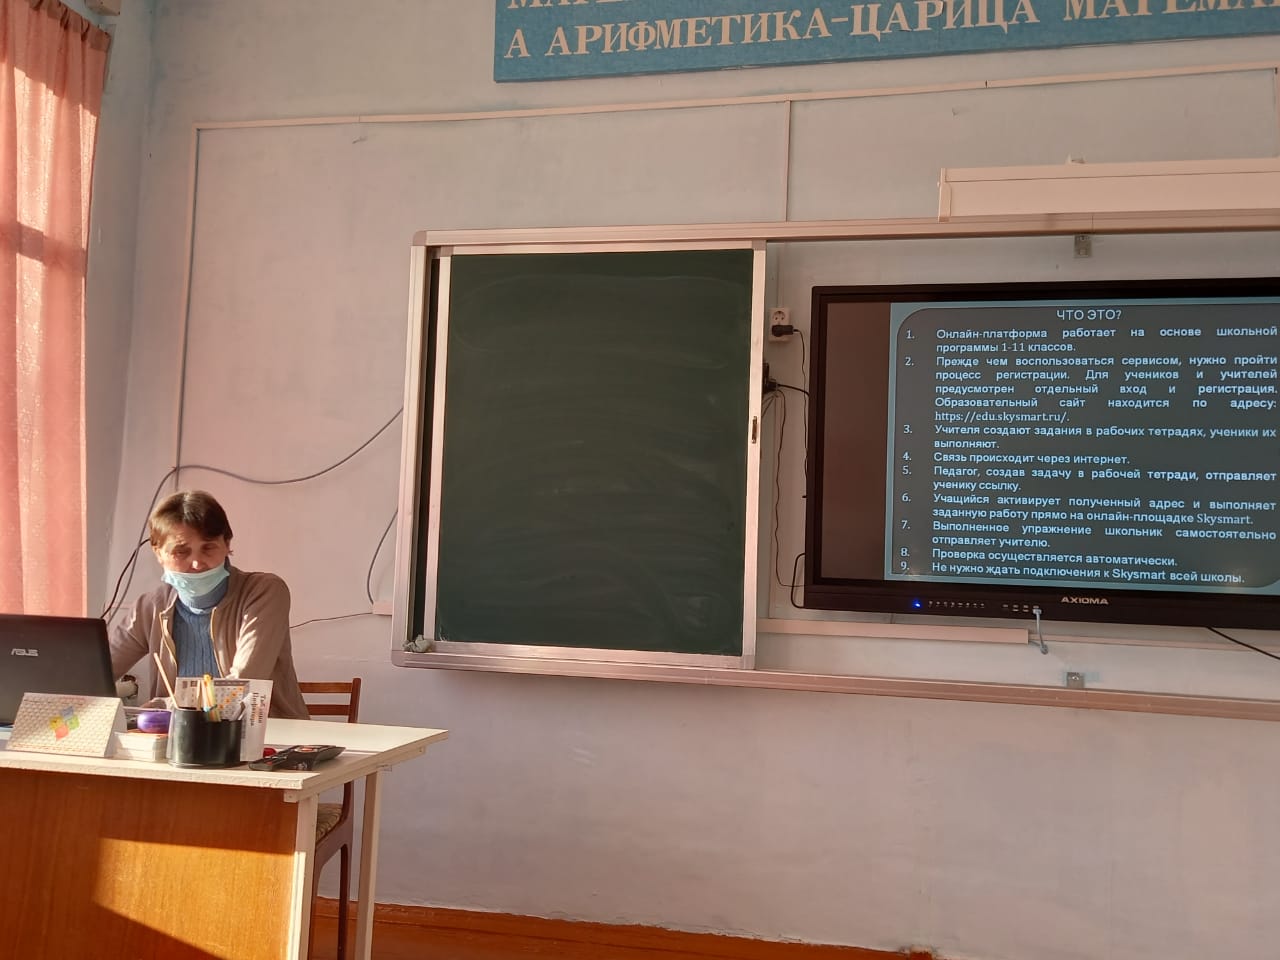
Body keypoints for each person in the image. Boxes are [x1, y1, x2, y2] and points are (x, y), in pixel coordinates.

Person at [109, 490, 309, 719]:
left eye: (208, 547)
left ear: (227, 544)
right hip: (181, 736)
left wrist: (167, 705)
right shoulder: (150, 607)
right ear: (158, 553)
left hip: (268, 734)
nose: (196, 563)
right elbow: (97, 674)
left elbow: (244, 684)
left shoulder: (264, 591)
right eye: (181, 551)